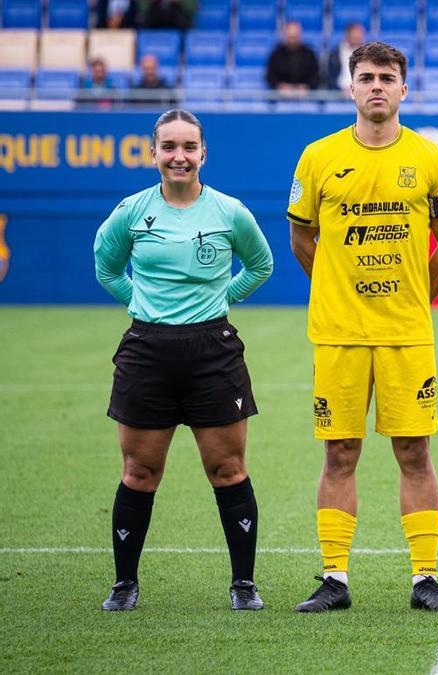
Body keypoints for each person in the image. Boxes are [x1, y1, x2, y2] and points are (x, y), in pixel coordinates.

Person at [287, 41, 438, 614]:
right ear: (351, 86)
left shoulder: (433, 160)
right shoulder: (317, 156)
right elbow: (301, 238)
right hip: (338, 333)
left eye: (387, 78)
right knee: (340, 452)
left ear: (404, 88)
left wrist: (416, 298)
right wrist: (338, 289)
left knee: (415, 450)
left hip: (406, 333)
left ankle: (426, 578)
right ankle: (334, 578)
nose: (377, 87)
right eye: (366, 77)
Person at [93, 109, 274, 612]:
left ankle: (243, 584)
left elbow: (261, 264)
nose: (179, 156)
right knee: (139, 471)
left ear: (203, 154)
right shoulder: (132, 210)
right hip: (146, 351)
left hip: (212, 351)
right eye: (168, 146)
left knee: (229, 468)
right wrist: (138, 305)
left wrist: (222, 303)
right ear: (153, 153)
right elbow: (106, 265)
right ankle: (124, 584)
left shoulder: (228, 211)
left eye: (188, 147)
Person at [267, 21, 320, 95]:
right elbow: (270, 76)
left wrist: (307, 87)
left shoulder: (309, 54)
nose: (292, 40)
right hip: (281, 95)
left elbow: (316, 75)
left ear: (300, 35)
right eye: (290, 37)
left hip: (306, 96)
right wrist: (280, 87)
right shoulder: (276, 54)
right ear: (285, 36)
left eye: (295, 37)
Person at [327, 22, 366, 91]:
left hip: (361, 91)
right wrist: (340, 89)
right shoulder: (335, 54)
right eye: (356, 34)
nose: (359, 37)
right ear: (348, 35)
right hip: (338, 92)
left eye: (360, 34)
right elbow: (330, 76)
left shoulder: (367, 54)